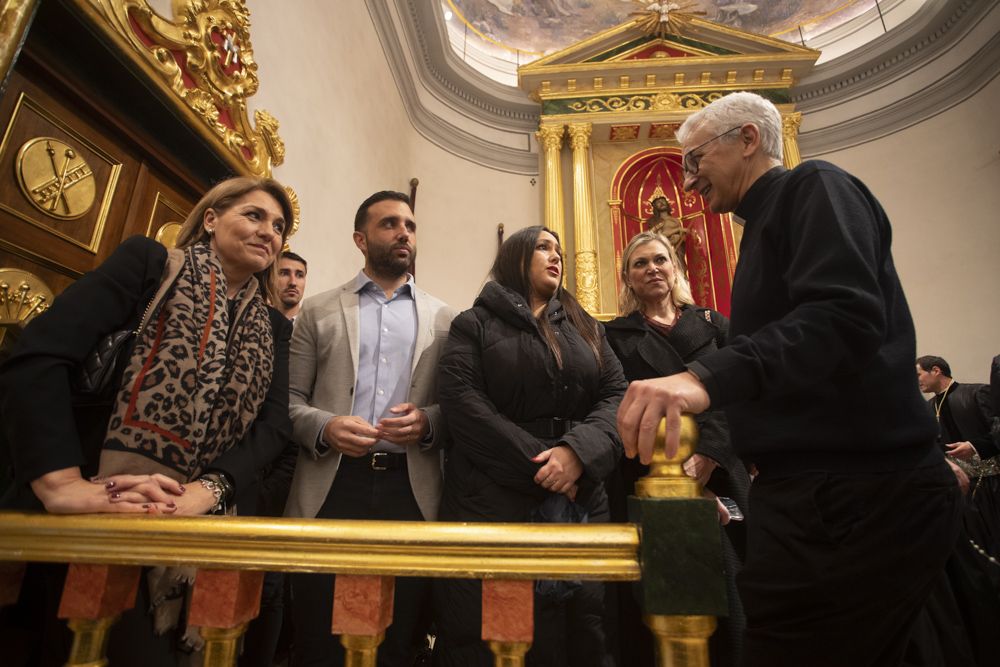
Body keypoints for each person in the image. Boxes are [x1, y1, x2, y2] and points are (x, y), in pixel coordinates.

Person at [616, 91, 961, 667]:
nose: (689, 181)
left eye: (696, 160)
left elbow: (841, 319)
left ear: (748, 139)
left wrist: (702, 377)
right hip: (814, 498)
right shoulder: (762, 227)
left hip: (854, 497)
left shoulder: (815, 186)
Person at [0, 176, 295, 666]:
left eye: (279, 226)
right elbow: (38, 357)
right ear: (210, 219)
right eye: (254, 215)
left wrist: (211, 488)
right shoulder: (150, 265)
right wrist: (61, 482)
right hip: (93, 519)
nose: (270, 231)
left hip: (193, 532)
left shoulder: (275, 327)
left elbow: (274, 427)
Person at [433, 225, 626, 666]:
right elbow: (463, 402)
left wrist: (577, 454)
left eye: (559, 249)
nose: (555, 256)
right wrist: (543, 467)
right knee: (498, 625)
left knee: (585, 625)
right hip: (494, 493)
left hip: (582, 490)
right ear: (515, 257)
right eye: (543, 247)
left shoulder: (587, 327)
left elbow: (616, 395)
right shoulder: (474, 323)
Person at [283, 190, 455, 667]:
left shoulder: (445, 317)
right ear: (361, 239)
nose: (404, 233)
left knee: (400, 630)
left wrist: (425, 423)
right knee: (319, 628)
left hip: (411, 486)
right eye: (390, 224)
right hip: (333, 480)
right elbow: (288, 403)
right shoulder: (318, 311)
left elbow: (456, 409)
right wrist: (326, 426)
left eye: (410, 225)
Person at [604, 230, 747, 667]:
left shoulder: (711, 322)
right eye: (640, 263)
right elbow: (618, 402)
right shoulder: (613, 335)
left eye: (660, 260)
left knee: (733, 585)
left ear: (675, 267)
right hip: (652, 472)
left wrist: (709, 456)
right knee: (667, 587)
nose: (652, 269)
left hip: (721, 470)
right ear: (627, 278)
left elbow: (739, 388)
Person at [240, 251, 310, 667]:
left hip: (285, 469)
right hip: (244, 466)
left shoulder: (307, 328)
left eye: (300, 274)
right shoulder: (256, 322)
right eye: (284, 272)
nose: (292, 281)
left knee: (272, 583)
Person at [916, 355, 999, 555]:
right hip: (961, 488)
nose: (916, 380)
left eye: (918, 374)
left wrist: (974, 446)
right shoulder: (928, 408)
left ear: (936, 370)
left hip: (993, 482)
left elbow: (997, 430)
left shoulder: (977, 392)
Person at [646, 196, 688, 274]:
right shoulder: (655, 221)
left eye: (663, 201)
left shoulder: (675, 220)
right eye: (658, 202)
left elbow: (681, 234)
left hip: (678, 248)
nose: (662, 203)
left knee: (681, 267)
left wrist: (681, 236)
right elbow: (657, 235)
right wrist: (678, 230)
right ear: (655, 207)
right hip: (665, 247)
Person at [275, 251, 308, 320]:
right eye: (284, 274)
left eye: (299, 275)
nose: (293, 283)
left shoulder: (314, 326)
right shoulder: (256, 321)